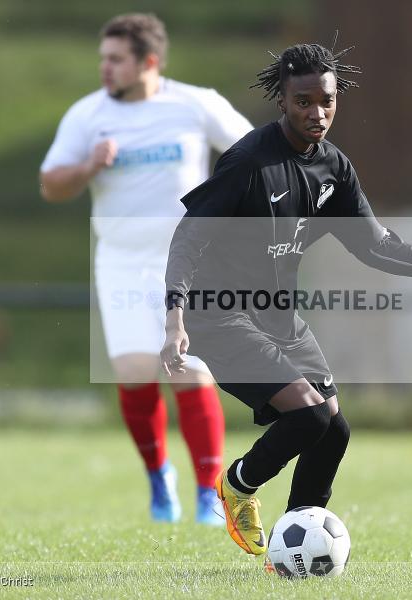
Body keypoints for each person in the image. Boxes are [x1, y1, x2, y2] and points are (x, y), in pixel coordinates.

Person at [160, 43, 412, 556]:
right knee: (309, 415)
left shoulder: (335, 169)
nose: (316, 112)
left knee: (334, 430)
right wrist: (174, 319)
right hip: (219, 312)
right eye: (303, 101)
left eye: (325, 101)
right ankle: (236, 484)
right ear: (281, 100)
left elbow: (377, 247)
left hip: (277, 315)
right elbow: (187, 239)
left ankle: (293, 550)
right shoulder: (249, 163)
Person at [39, 13, 252, 526]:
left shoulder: (194, 104)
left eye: (116, 59)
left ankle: (208, 492)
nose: (104, 67)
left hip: (190, 263)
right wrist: (89, 166)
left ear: (148, 62)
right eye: (103, 57)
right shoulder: (88, 115)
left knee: (189, 372)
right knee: (135, 374)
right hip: (121, 262)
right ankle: (160, 477)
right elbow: (50, 184)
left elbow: (253, 153)